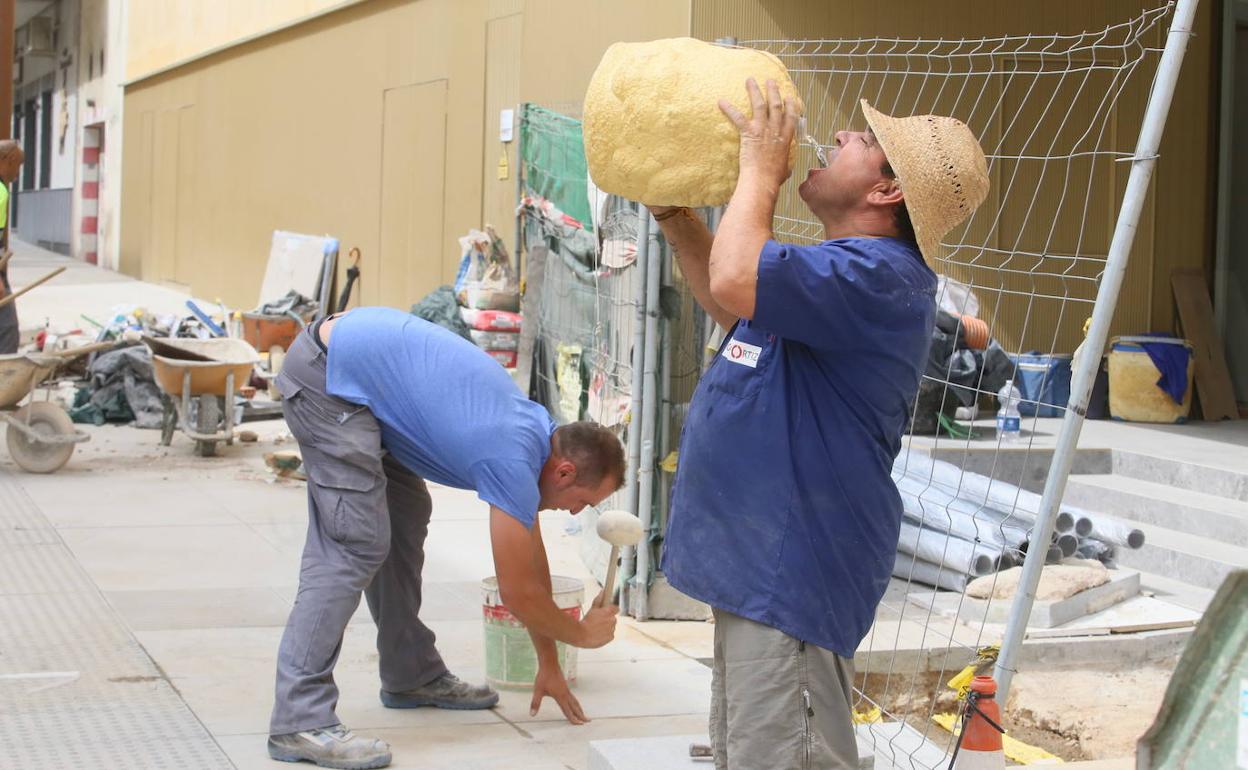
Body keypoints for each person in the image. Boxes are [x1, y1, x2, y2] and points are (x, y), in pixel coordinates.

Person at [652, 79, 989, 769]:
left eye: (862, 141)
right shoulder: (845, 270)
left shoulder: (879, 275)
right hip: (760, 573)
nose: (839, 137)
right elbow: (737, 307)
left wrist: (760, 171)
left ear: (887, 192)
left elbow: (736, 277)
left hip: (790, 578)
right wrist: (675, 216)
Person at [268, 306, 624, 770]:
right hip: (329, 377)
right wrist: (580, 634)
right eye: (582, 500)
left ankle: (410, 674)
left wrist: (551, 664)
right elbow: (517, 594)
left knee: (404, 518)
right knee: (353, 543)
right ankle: (298, 718)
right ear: (565, 470)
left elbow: (530, 570)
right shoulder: (511, 455)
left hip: (367, 383)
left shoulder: (535, 440)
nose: (575, 512)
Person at [0, 140, 26, 355]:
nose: (18, 172)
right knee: (7, 330)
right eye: (18, 164)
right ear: (7, 160)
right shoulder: (0, 192)